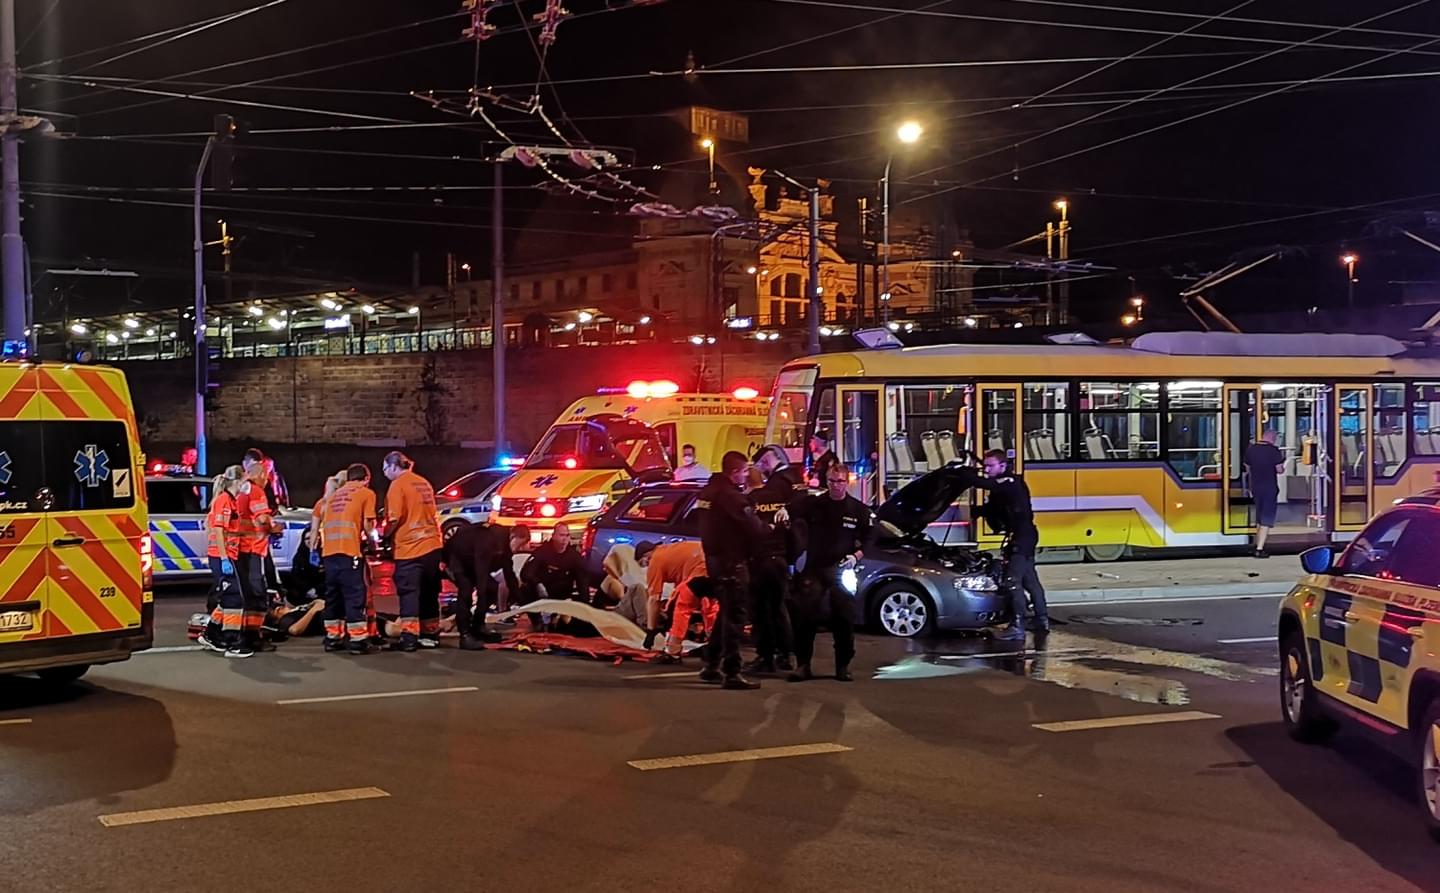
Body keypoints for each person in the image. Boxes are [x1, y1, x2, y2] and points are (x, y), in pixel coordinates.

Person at [778, 462, 870, 682]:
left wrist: (856, 556)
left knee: (844, 618)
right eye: (832, 481)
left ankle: (843, 666)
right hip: (815, 568)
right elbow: (792, 507)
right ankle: (803, 665)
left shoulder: (858, 510)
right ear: (826, 482)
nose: (836, 485)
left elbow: (870, 539)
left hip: (842, 568)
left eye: (840, 481)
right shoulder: (815, 504)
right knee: (805, 617)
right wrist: (784, 510)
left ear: (847, 482)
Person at [695, 451, 766, 690]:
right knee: (735, 616)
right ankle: (732, 672)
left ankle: (711, 664)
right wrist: (769, 528)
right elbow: (754, 527)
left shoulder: (707, 492)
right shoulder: (730, 496)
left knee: (725, 613)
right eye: (744, 471)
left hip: (715, 562)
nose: (746, 475)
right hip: (732, 562)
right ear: (734, 472)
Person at [971, 449, 1048, 639]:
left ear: (1003, 466)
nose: (986, 469)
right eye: (985, 466)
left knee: (1012, 582)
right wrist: (979, 511)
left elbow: (988, 484)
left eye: (990, 466)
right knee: (1029, 580)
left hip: (1021, 537)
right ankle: (1041, 620)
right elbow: (994, 508)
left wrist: (964, 475)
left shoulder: (1009, 481)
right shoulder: (1005, 486)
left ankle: (1017, 626)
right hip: (1025, 535)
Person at [382, 451, 445, 651]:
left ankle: (409, 637)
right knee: (429, 592)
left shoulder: (397, 485)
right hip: (432, 545)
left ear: (393, 466)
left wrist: (385, 534)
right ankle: (430, 634)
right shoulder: (424, 483)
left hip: (410, 548)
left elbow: (394, 518)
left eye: (385, 469)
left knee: (409, 592)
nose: (385, 474)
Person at [745, 446, 799, 673]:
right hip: (780, 560)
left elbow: (746, 532)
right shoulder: (781, 498)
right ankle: (786, 655)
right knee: (779, 609)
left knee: (761, 611)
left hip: (759, 562)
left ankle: (765, 657)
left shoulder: (750, 501)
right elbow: (791, 529)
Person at [320, 464, 378, 655]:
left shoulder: (333, 496)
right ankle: (358, 640)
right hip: (349, 550)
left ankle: (332, 638)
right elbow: (368, 524)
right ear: (366, 479)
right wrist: (373, 544)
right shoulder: (365, 493)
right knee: (354, 595)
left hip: (329, 553)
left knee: (333, 596)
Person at [444, 522, 528, 650]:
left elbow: (510, 577)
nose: (520, 549)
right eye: (520, 545)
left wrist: (525, 605)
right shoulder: (489, 539)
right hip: (458, 559)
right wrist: (481, 594)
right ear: (513, 537)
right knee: (466, 592)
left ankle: (478, 627)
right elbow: (481, 569)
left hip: (473, 561)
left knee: (492, 589)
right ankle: (465, 635)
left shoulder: (505, 546)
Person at [635, 539, 715, 660]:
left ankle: (673, 651)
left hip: (699, 568)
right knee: (709, 606)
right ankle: (716, 645)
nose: (646, 567)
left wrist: (651, 631)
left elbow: (654, 599)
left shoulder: (655, 560)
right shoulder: (670, 552)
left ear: (646, 557)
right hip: (715, 565)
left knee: (681, 607)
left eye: (643, 564)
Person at [199, 465, 248, 657]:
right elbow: (219, 531)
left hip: (227, 555)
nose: (246, 484)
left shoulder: (230, 500)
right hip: (223, 556)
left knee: (228, 597)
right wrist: (224, 558)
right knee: (234, 598)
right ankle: (232, 643)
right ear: (237, 481)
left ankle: (212, 634)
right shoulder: (224, 501)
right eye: (244, 480)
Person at [235, 462, 281, 652]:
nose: (267, 481)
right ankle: (253, 637)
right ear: (261, 475)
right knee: (258, 594)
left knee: (246, 593)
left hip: (240, 549)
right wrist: (274, 528)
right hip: (254, 548)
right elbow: (262, 518)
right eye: (267, 477)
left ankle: (244, 634)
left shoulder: (241, 489)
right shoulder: (256, 491)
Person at [520, 523, 590, 607]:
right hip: (541, 593)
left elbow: (582, 581)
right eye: (561, 535)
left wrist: (586, 605)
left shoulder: (574, 556)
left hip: (562, 595)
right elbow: (526, 573)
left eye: (567, 535)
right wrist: (538, 584)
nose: (564, 539)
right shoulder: (542, 552)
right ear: (553, 536)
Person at [1244, 429, 1286, 558]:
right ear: (1272, 438)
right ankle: (1260, 548)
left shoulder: (1251, 449)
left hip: (1256, 487)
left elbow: (1247, 467)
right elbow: (1279, 470)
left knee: (1259, 517)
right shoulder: (1274, 451)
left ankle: (1256, 544)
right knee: (1266, 518)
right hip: (1269, 487)